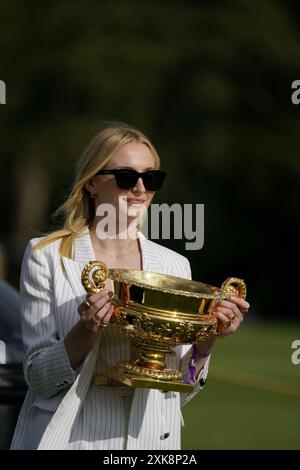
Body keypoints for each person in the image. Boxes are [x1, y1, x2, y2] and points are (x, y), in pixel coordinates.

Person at [10, 122, 249, 450]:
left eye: (151, 178)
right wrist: (86, 329)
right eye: (126, 177)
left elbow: (180, 388)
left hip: (150, 442)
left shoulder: (175, 266)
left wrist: (207, 342)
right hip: (69, 436)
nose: (140, 188)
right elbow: (37, 376)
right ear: (93, 183)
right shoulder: (46, 255)